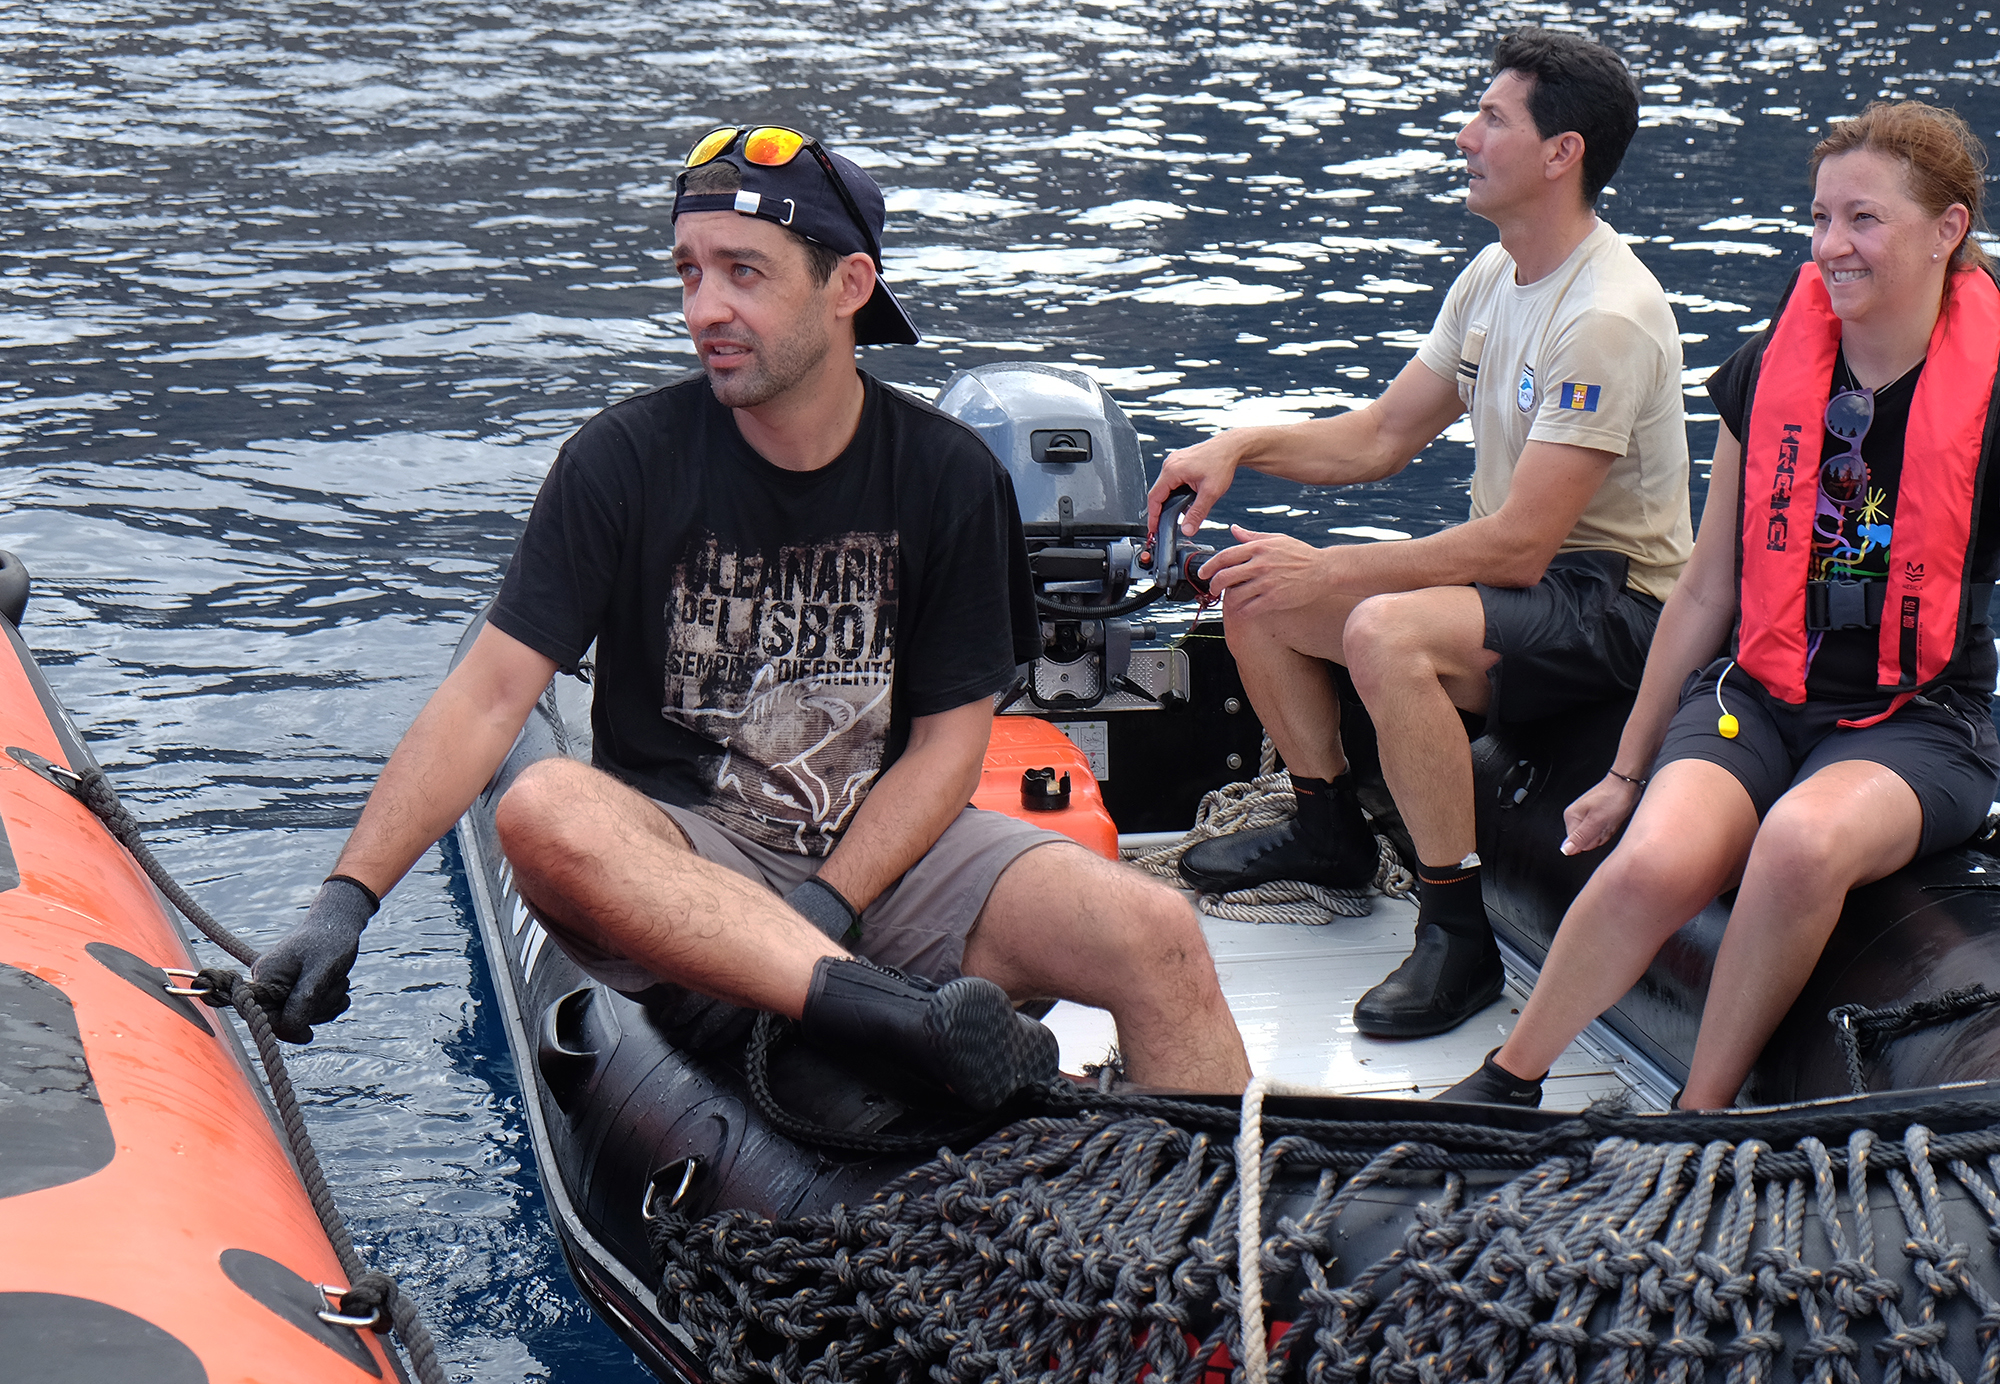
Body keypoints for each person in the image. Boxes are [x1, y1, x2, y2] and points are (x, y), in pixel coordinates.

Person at [250, 122, 1252, 1107]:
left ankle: (1218, 1204)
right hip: (687, 866)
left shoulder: (948, 475)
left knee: (1155, 932)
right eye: (689, 273)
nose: (706, 309)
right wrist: (346, 901)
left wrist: (825, 907)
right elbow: (486, 700)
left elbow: (948, 749)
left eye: (744, 272)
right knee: (543, 807)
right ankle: (892, 1020)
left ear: (848, 286)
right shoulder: (620, 461)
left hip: (890, 866)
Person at [1444, 100, 2000, 1111]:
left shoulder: (1993, 395)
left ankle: (1695, 1122)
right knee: (1651, 860)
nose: (1830, 245)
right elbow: (1706, 584)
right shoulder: (1767, 368)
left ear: (1946, 230)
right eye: (1820, 217)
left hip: (1917, 722)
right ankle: (1507, 1081)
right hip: (1757, 693)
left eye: (1863, 219)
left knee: (1798, 843)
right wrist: (1625, 771)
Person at [1146, 29, 1691, 1039]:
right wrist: (1239, 445)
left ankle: (1456, 932)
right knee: (1255, 587)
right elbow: (1382, 436)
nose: (1463, 137)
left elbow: (1523, 545)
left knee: (1378, 630)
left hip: (1617, 604)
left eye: (1491, 118)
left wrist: (1331, 570)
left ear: (1560, 153)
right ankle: (1328, 831)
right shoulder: (1493, 276)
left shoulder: (1605, 315)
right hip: (1534, 584)